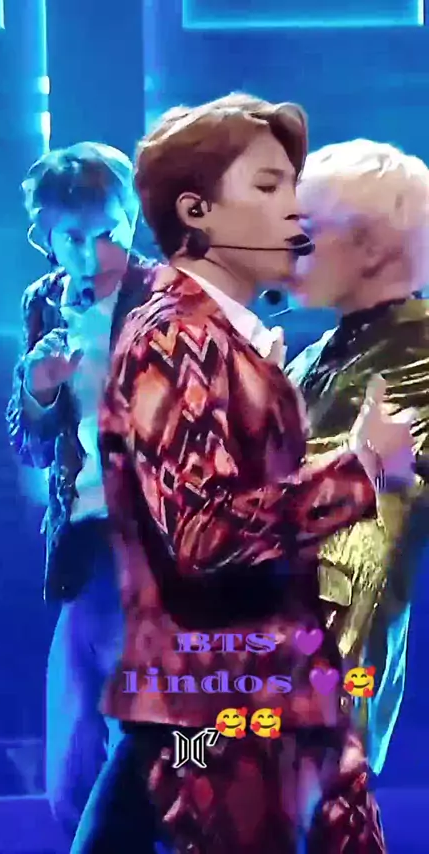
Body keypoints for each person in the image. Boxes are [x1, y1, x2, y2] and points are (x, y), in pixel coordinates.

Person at [72, 96, 415, 854]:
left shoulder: (232, 339)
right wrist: (360, 469)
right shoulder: (180, 338)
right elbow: (203, 531)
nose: (296, 208)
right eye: (268, 185)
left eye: (293, 182)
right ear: (197, 211)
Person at [6, 142, 157, 842]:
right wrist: (39, 391)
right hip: (81, 544)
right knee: (71, 759)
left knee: (142, 747)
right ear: (45, 237)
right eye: (72, 237)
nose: (92, 254)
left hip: (158, 543)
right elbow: (31, 446)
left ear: (133, 221)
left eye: (108, 233)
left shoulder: (174, 302)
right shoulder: (43, 302)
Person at [286, 139, 429, 776]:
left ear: (370, 247)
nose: (285, 247)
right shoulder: (312, 355)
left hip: (335, 660)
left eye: (305, 231)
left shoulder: (422, 351)